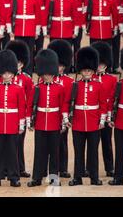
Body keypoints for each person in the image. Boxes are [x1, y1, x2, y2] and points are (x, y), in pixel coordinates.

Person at [27, 49, 67, 187]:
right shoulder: (36, 88)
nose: (47, 76)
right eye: (45, 73)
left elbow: (63, 106)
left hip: (54, 123)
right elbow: (30, 105)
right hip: (40, 123)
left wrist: (63, 121)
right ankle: (37, 178)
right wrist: (29, 121)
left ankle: (54, 178)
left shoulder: (60, 88)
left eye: (49, 73)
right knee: (39, 152)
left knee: (54, 153)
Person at [68, 47, 106, 186]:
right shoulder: (75, 85)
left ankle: (94, 177)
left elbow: (103, 104)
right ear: (81, 71)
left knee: (93, 152)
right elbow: (69, 103)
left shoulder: (98, 85)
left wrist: (102, 120)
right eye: (84, 70)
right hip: (78, 123)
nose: (87, 73)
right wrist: (68, 118)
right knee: (79, 152)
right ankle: (77, 177)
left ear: (93, 71)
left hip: (93, 123)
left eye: (89, 70)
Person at [0, 50, 26, 188]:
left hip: (12, 124)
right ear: (1, 74)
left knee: (12, 152)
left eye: (9, 73)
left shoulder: (18, 89)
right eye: (4, 73)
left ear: (13, 73)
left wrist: (21, 124)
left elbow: (22, 108)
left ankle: (14, 177)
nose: (7, 76)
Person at [4, 40, 34, 178]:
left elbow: (29, 100)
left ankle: (20, 168)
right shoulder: (3, 78)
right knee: (6, 144)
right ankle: (6, 168)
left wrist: (27, 118)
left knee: (19, 144)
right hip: (7, 116)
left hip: (19, 116)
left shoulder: (27, 80)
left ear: (21, 64)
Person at [47, 39, 74, 178]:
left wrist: (66, 119)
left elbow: (70, 101)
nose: (59, 68)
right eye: (57, 65)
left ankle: (62, 168)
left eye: (61, 65)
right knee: (50, 145)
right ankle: (51, 169)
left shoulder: (69, 81)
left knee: (63, 143)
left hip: (63, 117)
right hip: (50, 117)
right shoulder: (45, 81)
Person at [91, 41, 117, 177]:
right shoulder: (91, 78)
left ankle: (109, 167)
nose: (100, 66)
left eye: (102, 64)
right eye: (99, 64)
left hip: (106, 115)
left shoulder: (112, 79)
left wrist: (110, 116)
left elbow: (113, 99)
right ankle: (90, 168)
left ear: (106, 65)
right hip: (93, 115)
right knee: (92, 145)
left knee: (107, 143)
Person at [10, 0, 42, 75]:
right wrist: (12, 29)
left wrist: (37, 31)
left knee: (29, 51)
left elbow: (38, 16)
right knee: (19, 51)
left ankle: (28, 71)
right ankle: (19, 70)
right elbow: (12, 14)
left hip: (30, 29)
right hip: (19, 28)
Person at [64, 0, 88, 72]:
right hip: (69, 23)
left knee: (77, 46)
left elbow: (84, 10)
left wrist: (82, 24)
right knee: (68, 47)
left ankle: (77, 66)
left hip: (78, 23)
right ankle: (68, 66)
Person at [109, 45, 123, 185]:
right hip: (121, 120)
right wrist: (111, 118)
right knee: (120, 150)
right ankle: (118, 177)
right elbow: (113, 102)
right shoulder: (121, 84)